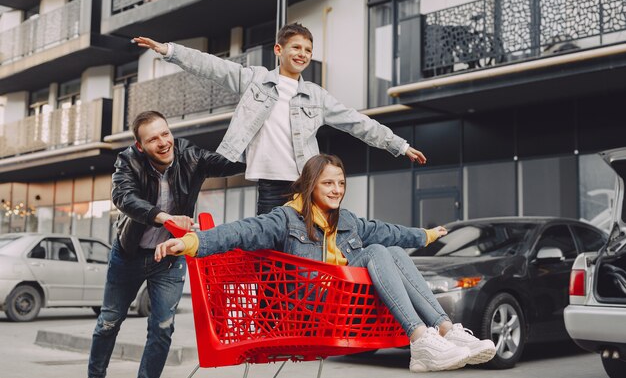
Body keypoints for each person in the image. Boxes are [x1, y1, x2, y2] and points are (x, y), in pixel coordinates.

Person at [154, 154, 496, 373]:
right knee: (377, 251)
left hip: (344, 306)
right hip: (307, 308)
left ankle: (446, 331)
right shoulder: (285, 219)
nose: (336, 189)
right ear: (311, 184)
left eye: (341, 183)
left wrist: (425, 236)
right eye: (328, 183)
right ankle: (421, 338)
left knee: (388, 248)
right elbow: (242, 232)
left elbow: (387, 231)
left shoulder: (346, 219)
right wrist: (189, 242)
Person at [133, 23, 427, 215]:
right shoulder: (255, 80)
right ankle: (269, 313)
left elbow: (357, 122)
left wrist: (399, 145)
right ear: (279, 50)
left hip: (305, 183)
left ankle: (301, 311)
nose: (303, 54)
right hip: (270, 186)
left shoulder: (316, 95)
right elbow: (213, 66)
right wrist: (168, 51)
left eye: (308, 50)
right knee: (269, 255)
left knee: (306, 253)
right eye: (296, 47)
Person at [88, 111, 245, 378]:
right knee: (109, 322)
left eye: (165, 133)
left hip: (170, 259)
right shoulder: (127, 161)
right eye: (153, 139)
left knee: (162, 328)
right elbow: (124, 197)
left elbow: (229, 164)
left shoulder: (190, 156)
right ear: (140, 146)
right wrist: (165, 218)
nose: (163, 142)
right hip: (129, 254)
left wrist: (261, 142)